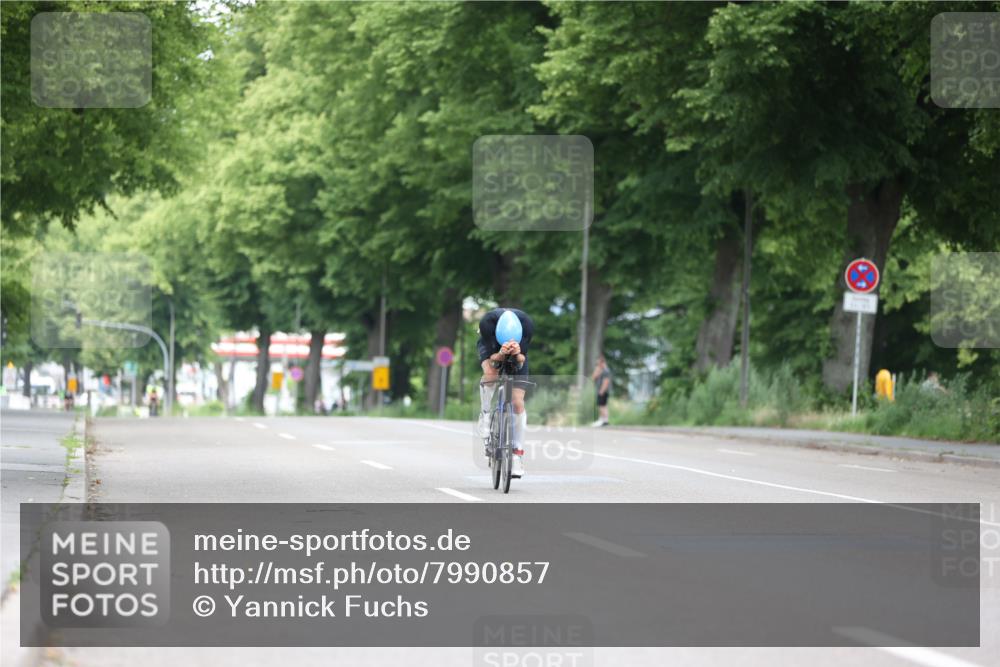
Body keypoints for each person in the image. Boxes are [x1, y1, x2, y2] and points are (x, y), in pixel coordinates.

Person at [477, 307, 534, 479]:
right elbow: (492, 359)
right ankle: (485, 414)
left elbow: (522, 359)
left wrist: (517, 354)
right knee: (490, 373)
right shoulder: (487, 323)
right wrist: (501, 353)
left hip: (517, 353)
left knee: (517, 402)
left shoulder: (526, 325)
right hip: (493, 349)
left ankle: (516, 453)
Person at [591, 355, 611, 426]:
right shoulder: (600, 370)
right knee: (602, 405)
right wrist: (597, 371)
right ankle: (602, 419)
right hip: (599, 390)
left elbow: (606, 381)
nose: (598, 365)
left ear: (602, 362)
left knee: (602, 405)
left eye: (598, 363)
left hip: (603, 391)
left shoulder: (606, 371)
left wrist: (602, 391)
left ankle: (605, 420)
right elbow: (593, 378)